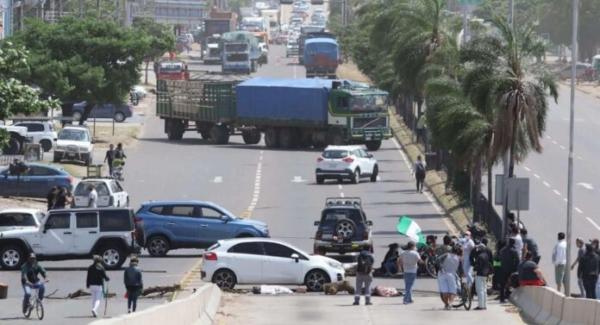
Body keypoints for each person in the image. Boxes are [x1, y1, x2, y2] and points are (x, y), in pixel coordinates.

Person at [470, 238, 493, 310]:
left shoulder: (479, 256)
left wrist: (474, 267)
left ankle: (480, 306)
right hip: (486, 273)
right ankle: (484, 305)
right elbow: (491, 262)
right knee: (484, 289)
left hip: (480, 274)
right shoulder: (487, 253)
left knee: (479, 290)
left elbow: (473, 261)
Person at [437, 245, 460, 310]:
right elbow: (458, 269)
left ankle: (446, 304)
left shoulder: (446, 255)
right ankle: (450, 303)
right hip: (451, 275)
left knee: (444, 291)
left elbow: (438, 260)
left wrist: (441, 267)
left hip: (442, 274)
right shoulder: (458, 258)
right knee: (453, 291)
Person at [497, 239, 520, 303]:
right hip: (511, 269)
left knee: (503, 284)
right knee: (511, 283)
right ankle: (508, 295)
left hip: (503, 269)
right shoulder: (514, 251)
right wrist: (515, 268)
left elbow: (498, 259)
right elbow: (518, 260)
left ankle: (502, 298)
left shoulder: (502, 250)